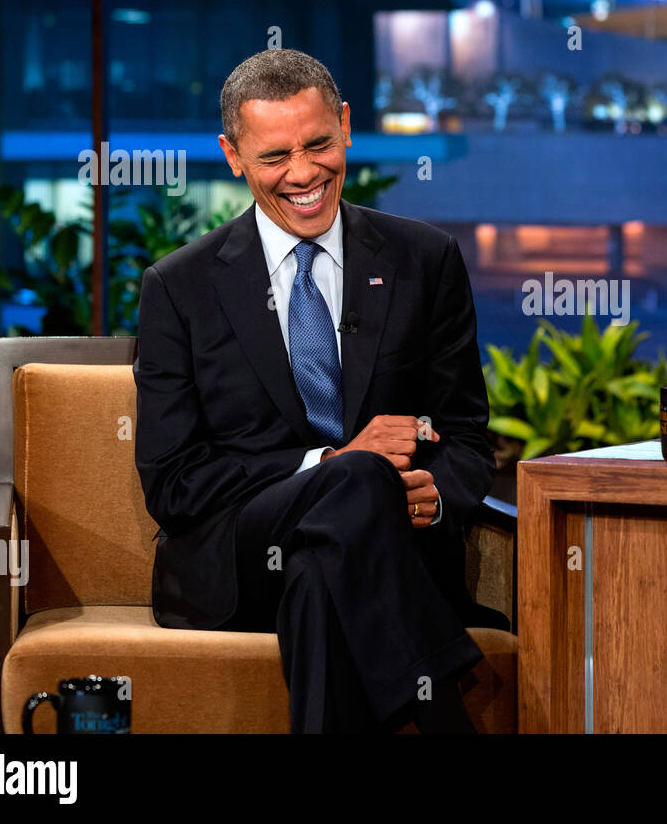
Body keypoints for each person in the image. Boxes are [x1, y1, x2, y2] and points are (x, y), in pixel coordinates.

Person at [134, 49, 493, 732]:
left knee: (319, 578)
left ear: (348, 126)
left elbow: (467, 437)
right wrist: (333, 467)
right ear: (233, 156)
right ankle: (444, 707)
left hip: (376, 553)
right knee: (357, 475)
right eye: (273, 157)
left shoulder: (424, 260)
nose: (303, 174)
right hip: (238, 562)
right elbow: (173, 483)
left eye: (319, 144)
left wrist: (434, 494)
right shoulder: (179, 287)